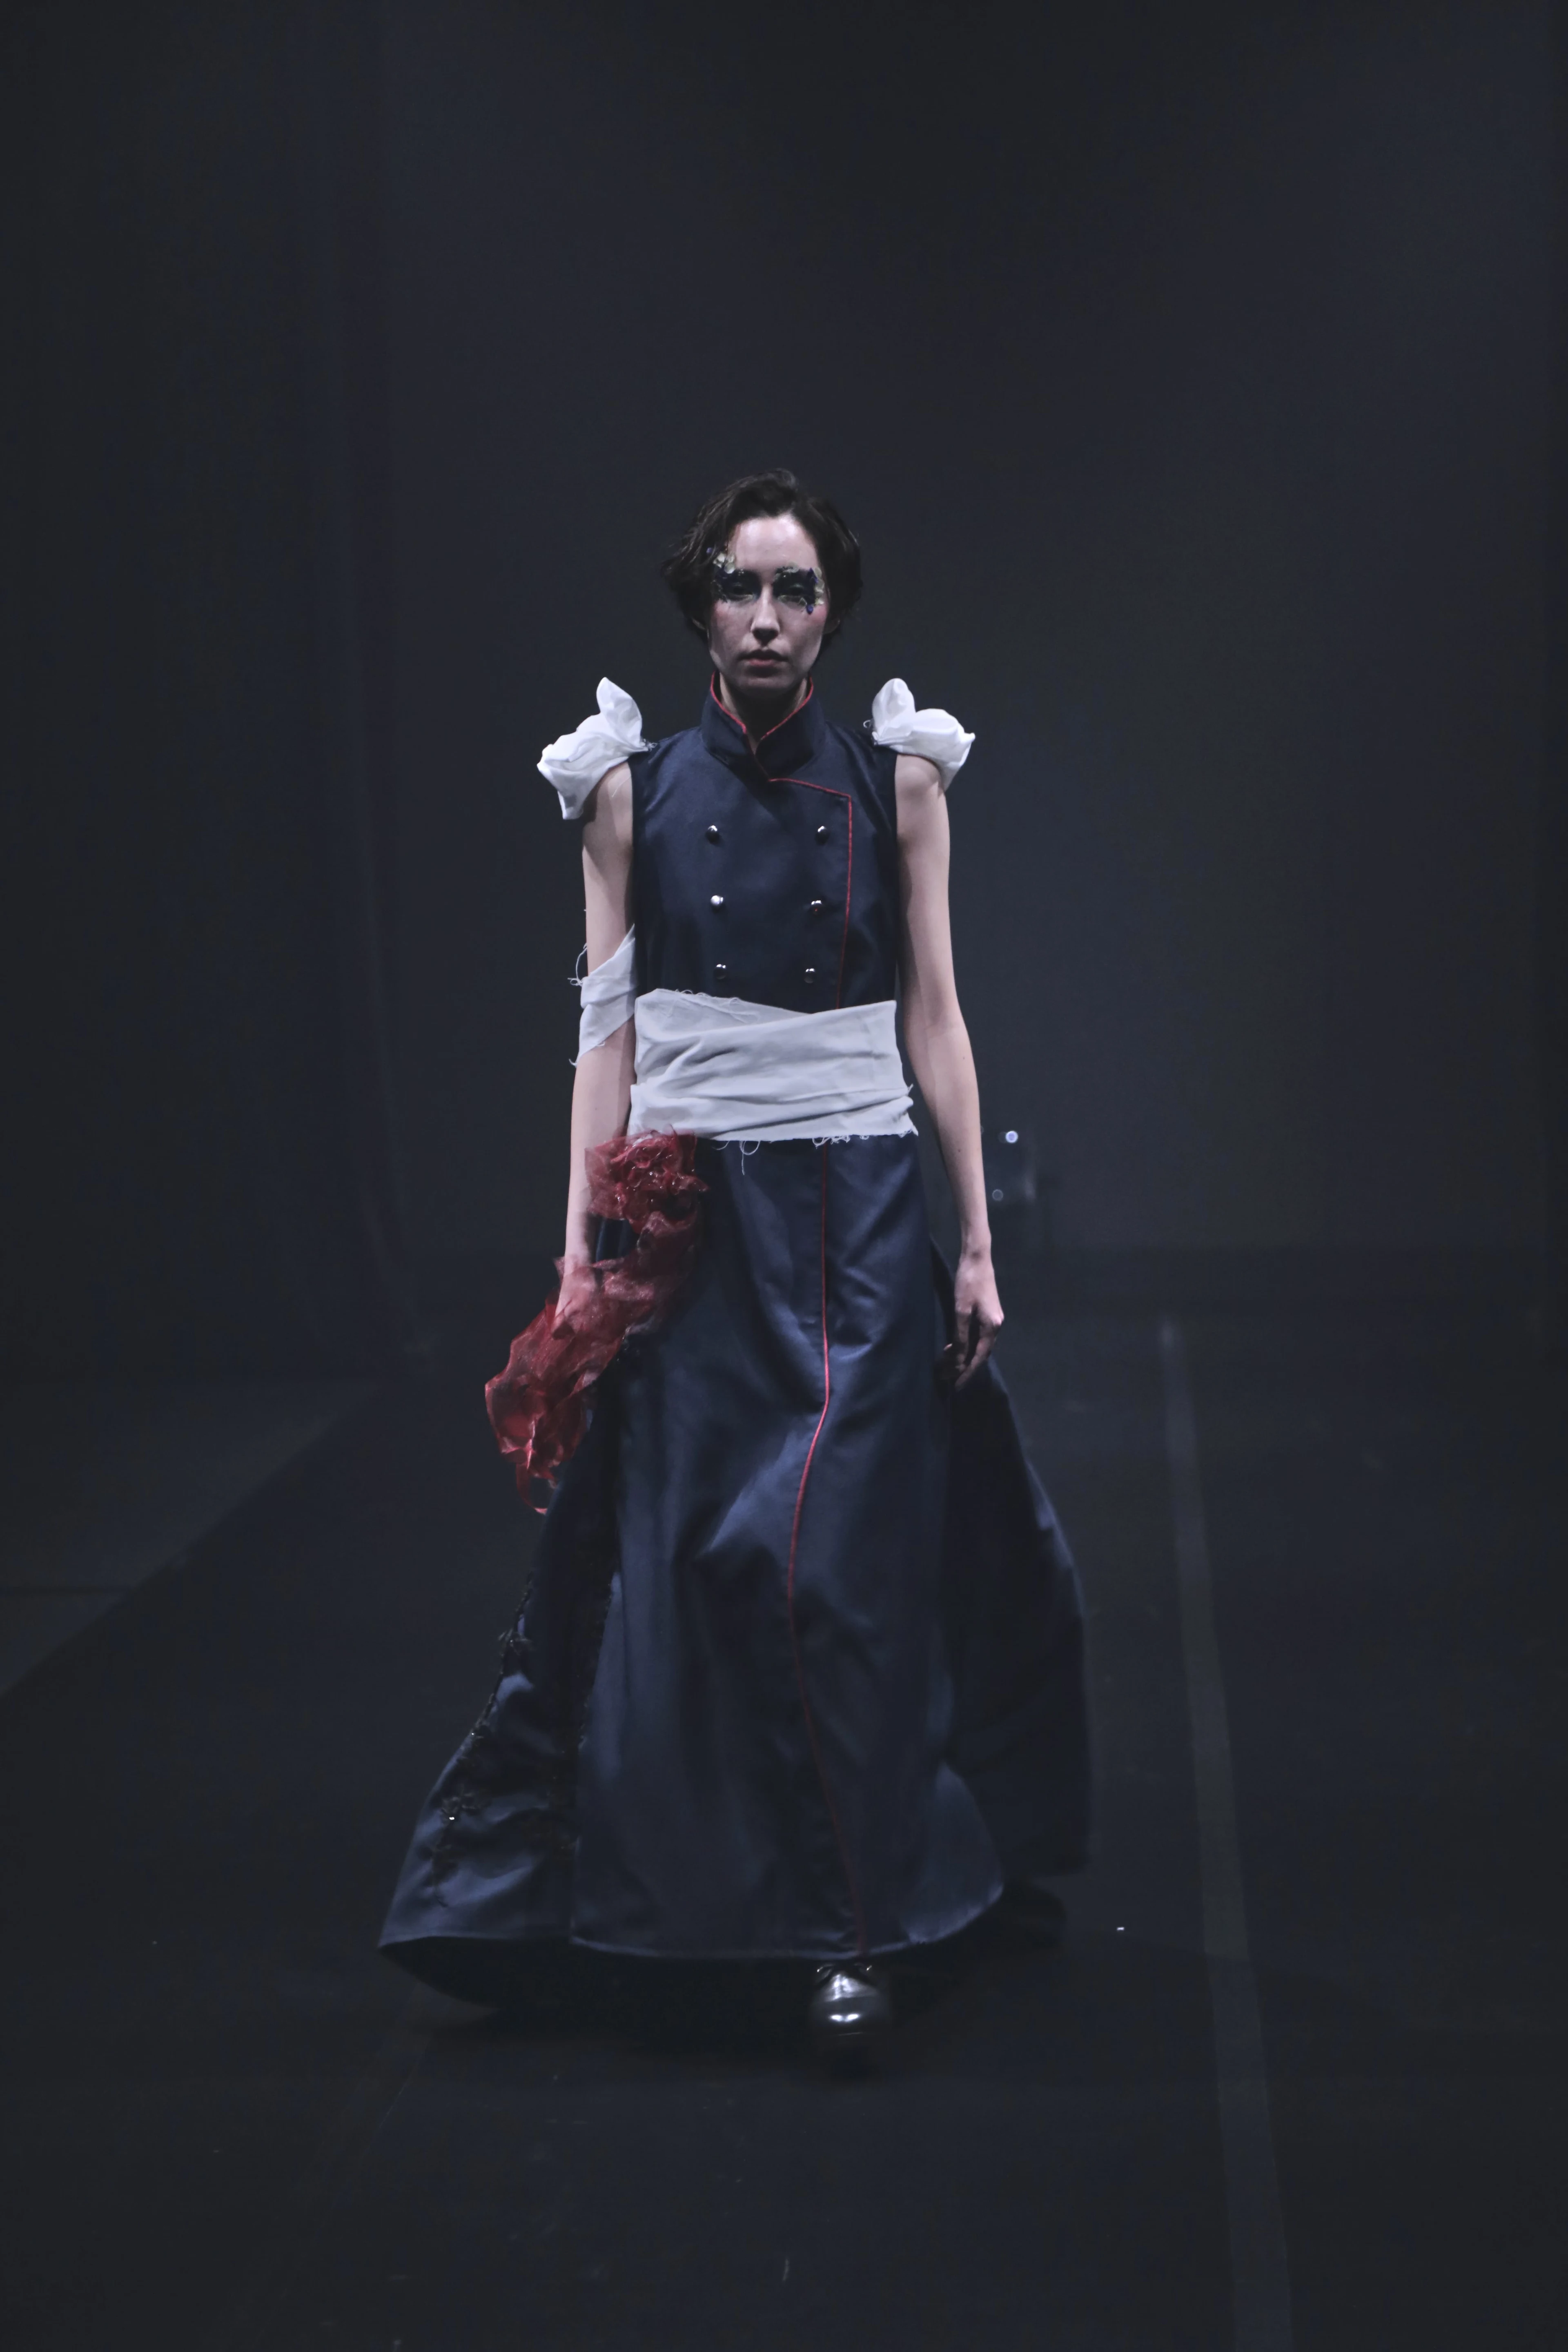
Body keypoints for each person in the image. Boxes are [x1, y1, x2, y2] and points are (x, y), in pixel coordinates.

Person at [381, 470, 1089, 2061]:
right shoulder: (626, 792)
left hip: (855, 1221)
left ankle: (849, 1937)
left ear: (833, 615)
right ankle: (692, 1916)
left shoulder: (897, 782)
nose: (766, 618)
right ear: (700, 605)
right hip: (691, 1230)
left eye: (796, 591)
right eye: (740, 587)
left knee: (829, 1569)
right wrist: (580, 1250)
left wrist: (977, 1239)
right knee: (693, 1566)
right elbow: (608, 1030)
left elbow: (935, 1017)